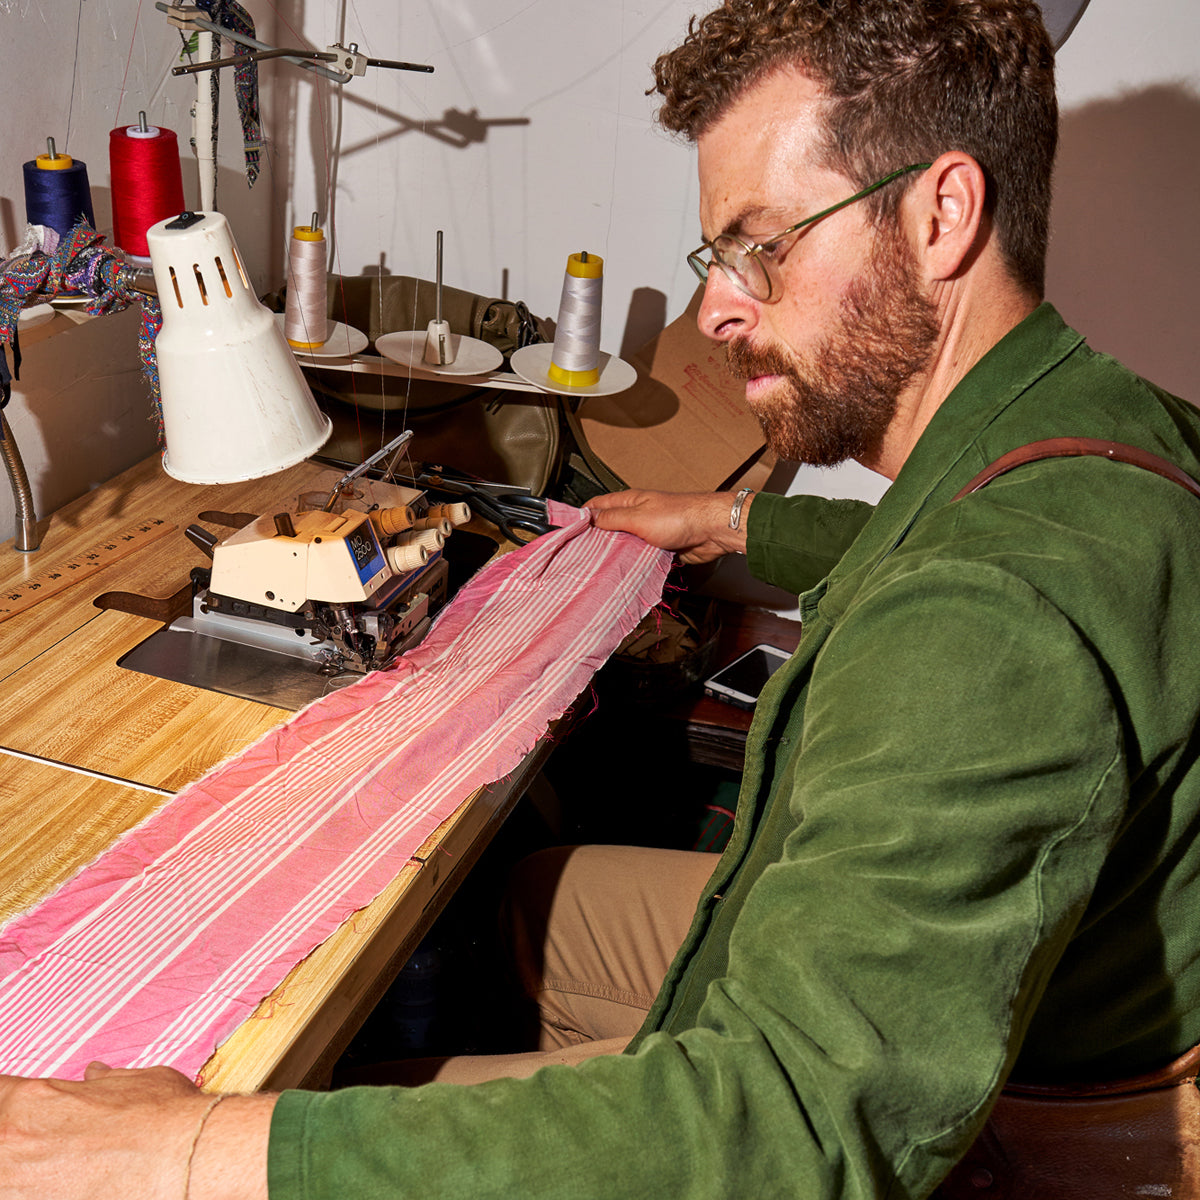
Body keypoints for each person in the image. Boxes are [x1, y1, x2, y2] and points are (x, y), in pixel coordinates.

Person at [3, 0, 1200, 1196]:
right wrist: (730, 517)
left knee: (277, 1112)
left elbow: (788, 1132)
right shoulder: (1098, 439)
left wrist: (188, 1146)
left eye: (760, 247)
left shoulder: (985, 617)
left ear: (942, 215)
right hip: (1027, 1009)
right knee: (531, 899)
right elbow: (928, 533)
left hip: (949, 1132)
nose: (721, 308)